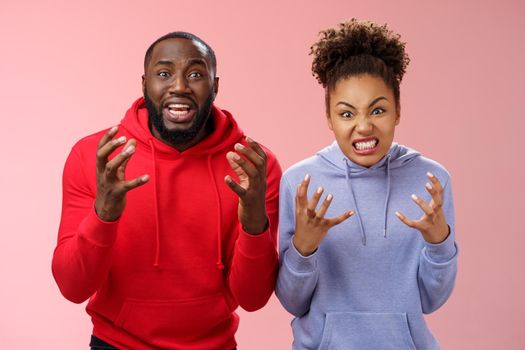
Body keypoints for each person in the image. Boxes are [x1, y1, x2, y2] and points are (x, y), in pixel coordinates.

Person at [52, 31, 281, 350]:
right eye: (164, 73)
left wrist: (255, 224)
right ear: (144, 84)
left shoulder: (253, 165)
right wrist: (103, 213)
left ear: (215, 86)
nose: (179, 86)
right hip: (116, 344)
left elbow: (253, 299)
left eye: (196, 74)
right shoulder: (96, 156)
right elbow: (72, 286)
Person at [276, 19, 458, 349]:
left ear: (398, 110)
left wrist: (438, 243)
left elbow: (432, 301)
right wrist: (303, 248)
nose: (364, 126)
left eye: (378, 110)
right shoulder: (300, 183)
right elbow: (292, 302)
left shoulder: (431, 180)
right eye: (347, 114)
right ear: (328, 117)